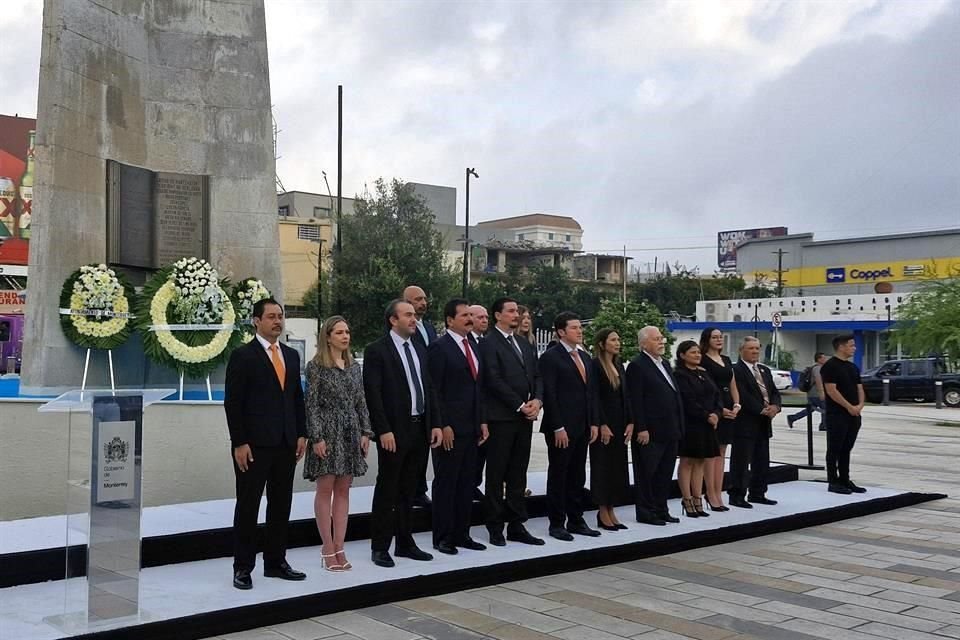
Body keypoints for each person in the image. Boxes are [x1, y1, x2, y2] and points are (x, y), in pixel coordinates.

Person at [224, 298, 307, 590]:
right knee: (248, 507)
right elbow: (233, 403)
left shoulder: (291, 355)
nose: (277, 321)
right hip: (254, 446)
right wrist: (240, 442)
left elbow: (297, 398)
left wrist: (301, 433)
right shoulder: (243, 356)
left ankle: (276, 562)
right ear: (256, 321)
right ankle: (243, 567)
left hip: (286, 443)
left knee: (281, 504)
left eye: (280, 316)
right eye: (271, 316)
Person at [363, 300, 443, 568]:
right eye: (407, 315)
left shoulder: (420, 348)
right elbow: (373, 394)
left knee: (410, 488)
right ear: (392, 320)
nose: (413, 319)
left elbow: (429, 388)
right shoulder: (377, 350)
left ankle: (405, 543)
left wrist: (435, 423)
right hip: (394, 431)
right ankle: (380, 546)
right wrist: (383, 429)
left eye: (414, 315)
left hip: (420, 427)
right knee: (388, 488)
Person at [303, 315, 373, 572]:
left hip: (350, 432)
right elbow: (310, 405)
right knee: (326, 488)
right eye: (340, 332)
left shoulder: (354, 367)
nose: (345, 336)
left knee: (344, 489)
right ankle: (327, 547)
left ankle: (340, 546)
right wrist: (317, 437)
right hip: (327, 432)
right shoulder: (315, 367)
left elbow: (361, 401)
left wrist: (366, 432)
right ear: (328, 336)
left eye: (347, 332)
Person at [478, 297, 545, 547]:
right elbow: (492, 379)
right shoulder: (488, 343)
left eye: (518, 310)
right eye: (511, 311)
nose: (516, 315)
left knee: (518, 471)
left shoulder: (524, 343)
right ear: (497, 315)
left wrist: (537, 400)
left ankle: (517, 523)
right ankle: (495, 525)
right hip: (501, 418)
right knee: (497, 473)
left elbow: (537, 375)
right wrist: (519, 404)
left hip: (525, 419)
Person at [428, 298, 489, 554]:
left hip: (472, 426)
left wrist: (483, 421)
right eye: (463, 315)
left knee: (467, 483)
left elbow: (479, 387)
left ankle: (462, 533)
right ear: (449, 320)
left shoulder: (473, 346)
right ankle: (443, 536)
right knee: (447, 483)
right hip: (450, 428)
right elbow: (434, 390)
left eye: (470, 315)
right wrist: (443, 424)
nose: (469, 319)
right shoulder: (439, 348)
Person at [539, 311, 600, 541]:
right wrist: (557, 427)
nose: (580, 331)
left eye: (580, 327)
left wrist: (594, 422)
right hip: (561, 428)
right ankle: (557, 522)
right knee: (559, 474)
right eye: (574, 328)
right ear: (561, 332)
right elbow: (550, 395)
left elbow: (591, 393)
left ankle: (576, 519)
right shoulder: (551, 357)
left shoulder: (584, 357)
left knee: (577, 475)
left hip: (582, 426)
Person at [626, 325, 684, 526]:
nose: (661, 342)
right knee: (647, 473)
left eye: (661, 338)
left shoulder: (665, 364)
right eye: (656, 339)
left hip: (670, 429)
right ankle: (646, 511)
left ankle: (661, 509)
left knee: (664, 473)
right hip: (650, 431)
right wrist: (641, 427)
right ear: (643, 343)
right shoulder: (637, 365)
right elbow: (636, 400)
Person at [728, 337, 781, 509]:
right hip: (745, 423)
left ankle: (758, 493)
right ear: (741, 350)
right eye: (751, 348)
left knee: (762, 460)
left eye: (757, 349)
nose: (755, 352)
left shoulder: (764, 370)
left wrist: (775, 406)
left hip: (763, 423)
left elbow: (773, 392)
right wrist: (760, 409)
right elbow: (741, 394)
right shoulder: (736, 370)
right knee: (741, 461)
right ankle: (737, 494)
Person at [589, 328, 633, 531]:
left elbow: (626, 397)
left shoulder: (618, 365)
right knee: (603, 468)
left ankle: (611, 508)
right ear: (602, 343)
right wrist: (602, 423)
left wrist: (631, 421)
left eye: (619, 339)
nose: (618, 343)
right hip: (605, 425)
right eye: (613, 340)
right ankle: (602, 510)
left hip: (620, 424)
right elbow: (595, 397)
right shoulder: (596, 365)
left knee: (617, 468)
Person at [673, 340, 722, 518]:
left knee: (701, 461)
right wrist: (706, 415)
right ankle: (686, 499)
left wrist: (717, 413)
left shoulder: (703, 373)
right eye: (693, 352)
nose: (697, 355)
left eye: (698, 353)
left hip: (708, 425)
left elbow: (716, 395)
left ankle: (697, 497)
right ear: (682, 355)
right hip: (692, 424)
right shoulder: (680, 375)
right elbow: (688, 400)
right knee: (688, 461)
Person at [699, 327, 740, 511]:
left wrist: (737, 404)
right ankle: (710, 492)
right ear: (707, 340)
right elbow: (706, 388)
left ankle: (718, 492)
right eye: (714, 337)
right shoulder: (703, 360)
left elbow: (732, 383)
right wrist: (720, 410)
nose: (718, 340)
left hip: (730, 409)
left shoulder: (726, 359)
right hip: (715, 410)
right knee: (711, 454)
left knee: (722, 453)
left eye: (720, 337)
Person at [820, 335, 866, 495]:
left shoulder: (852, 367)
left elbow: (859, 387)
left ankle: (845, 479)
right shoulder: (830, 366)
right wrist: (848, 406)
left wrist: (859, 406)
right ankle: (833, 480)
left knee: (847, 448)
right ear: (841, 346)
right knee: (835, 448)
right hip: (837, 414)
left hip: (854, 414)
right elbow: (832, 390)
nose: (854, 348)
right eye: (851, 345)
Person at [404, 284, 436, 508]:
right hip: (409, 399)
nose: (422, 303)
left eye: (424, 299)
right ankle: (407, 490)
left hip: (429, 395)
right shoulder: (403, 331)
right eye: (417, 299)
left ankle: (419, 489)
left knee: (423, 449)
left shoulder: (430, 328)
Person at [469, 303, 490, 500]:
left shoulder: (487, 342)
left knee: (482, 453)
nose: (484, 320)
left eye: (486, 317)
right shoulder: (466, 343)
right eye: (479, 317)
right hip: (469, 411)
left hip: (487, 408)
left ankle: (475, 483)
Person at [788, 353, 828, 430]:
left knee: (810, 409)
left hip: (811, 393)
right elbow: (818, 380)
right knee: (825, 408)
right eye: (824, 358)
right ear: (819, 359)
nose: (825, 360)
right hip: (817, 394)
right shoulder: (818, 368)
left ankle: (792, 418)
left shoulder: (814, 368)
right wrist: (822, 392)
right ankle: (823, 425)